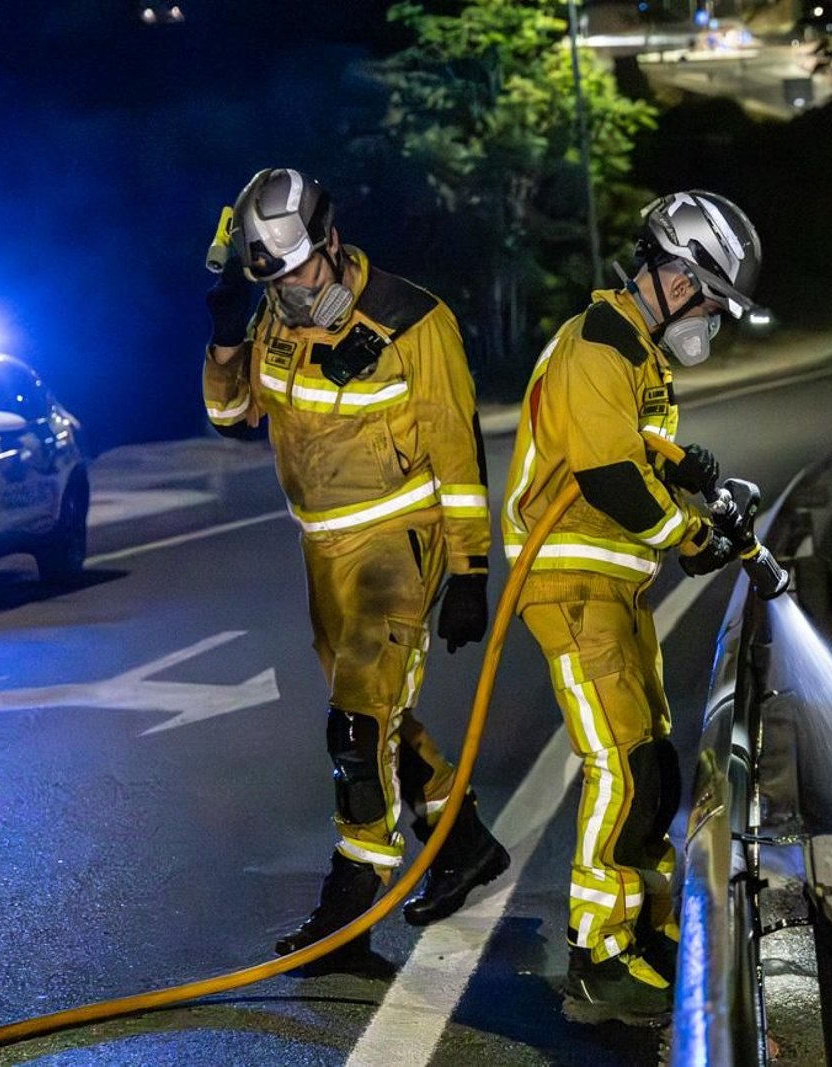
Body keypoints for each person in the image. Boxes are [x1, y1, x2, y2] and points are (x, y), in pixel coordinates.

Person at [202, 167, 510, 973]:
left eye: (301, 269)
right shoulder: (269, 318)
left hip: (396, 540)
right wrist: (226, 338)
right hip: (323, 546)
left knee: (356, 724)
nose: (295, 290)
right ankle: (462, 839)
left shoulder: (413, 319)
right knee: (377, 710)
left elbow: (458, 451)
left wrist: (472, 571)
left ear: (331, 240)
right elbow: (233, 419)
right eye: (273, 278)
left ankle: (354, 897)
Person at [502, 190, 762, 1024]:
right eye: (715, 302)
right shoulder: (597, 346)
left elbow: (634, 453)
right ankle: (597, 955)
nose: (714, 320)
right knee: (619, 761)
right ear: (681, 278)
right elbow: (609, 478)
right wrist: (689, 530)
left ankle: (642, 927)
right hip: (569, 581)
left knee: (651, 761)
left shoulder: (636, 356)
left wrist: (684, 474)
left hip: (613, 582)